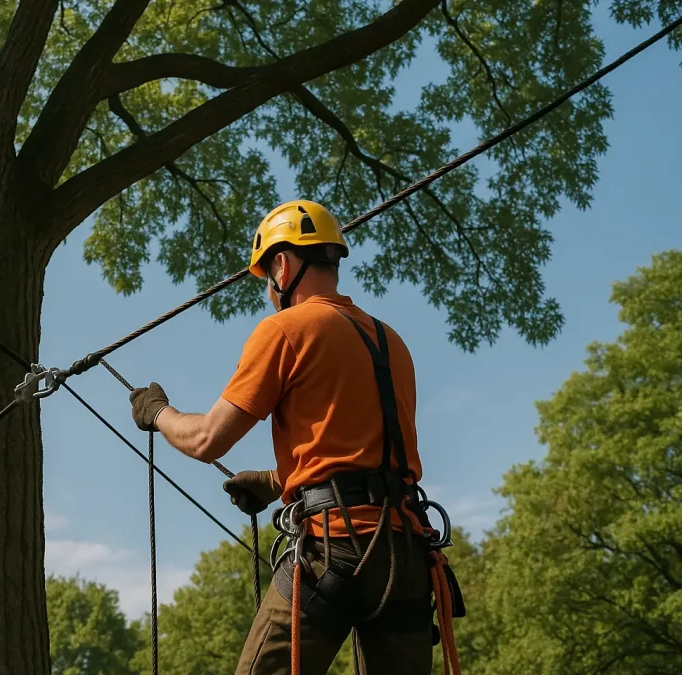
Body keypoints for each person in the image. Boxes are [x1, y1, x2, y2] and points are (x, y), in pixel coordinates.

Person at [128, 199, 461, 674]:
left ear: (282, 266)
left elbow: (206, 440)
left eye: (267, 277)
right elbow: (362, 455)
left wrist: (157, 412)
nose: (268, 290)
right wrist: (275, 480)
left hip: (336, 548)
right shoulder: (392, 342)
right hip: (405, 554)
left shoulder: (286, 330)